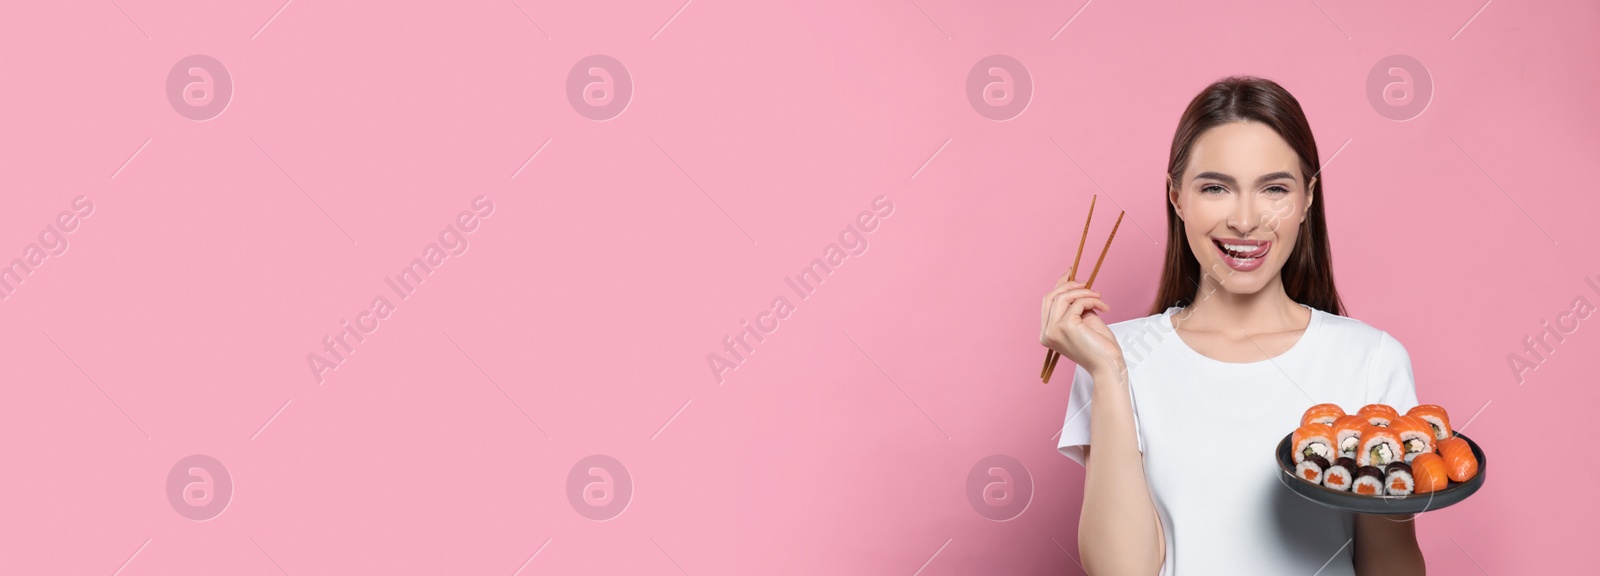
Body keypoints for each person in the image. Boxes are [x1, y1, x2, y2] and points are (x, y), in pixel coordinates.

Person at [1040, 76, 1426, 575]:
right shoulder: (1115, 355)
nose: (1245, 220)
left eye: (1274, 189)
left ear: (1308, 198)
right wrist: (1111, 374)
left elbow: (1389, 566)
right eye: (1216, 187)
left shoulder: (1371, 361)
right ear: (1177, 197)